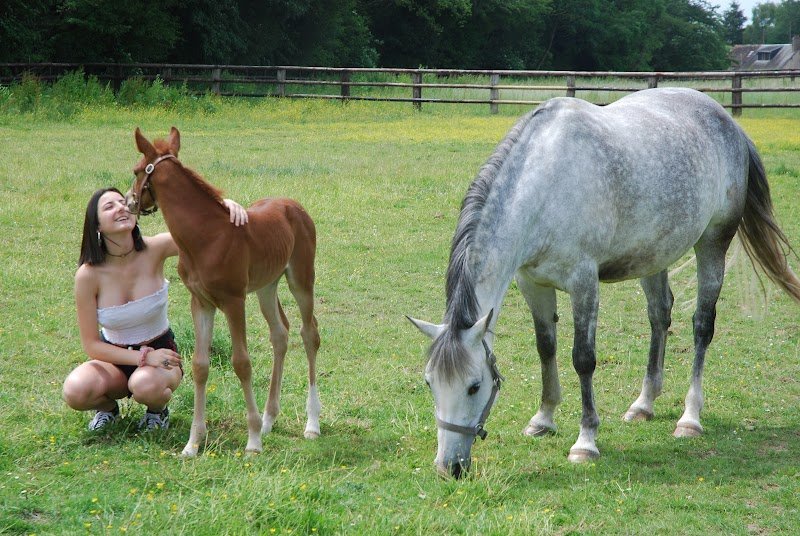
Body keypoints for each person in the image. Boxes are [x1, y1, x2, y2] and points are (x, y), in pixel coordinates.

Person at [62, 187, 248, 432]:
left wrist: (224, 205)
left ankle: (157, 411)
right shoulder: (88, 275)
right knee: (74, 391)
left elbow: (204, 232)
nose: (121, 207)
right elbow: (91, 345)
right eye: (109, 207)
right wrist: (142, 357)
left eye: (122, 202)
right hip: (114, 358)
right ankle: (108, 410)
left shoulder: (156, 247)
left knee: (146, 385)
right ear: (96, 226)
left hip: (162, 352)